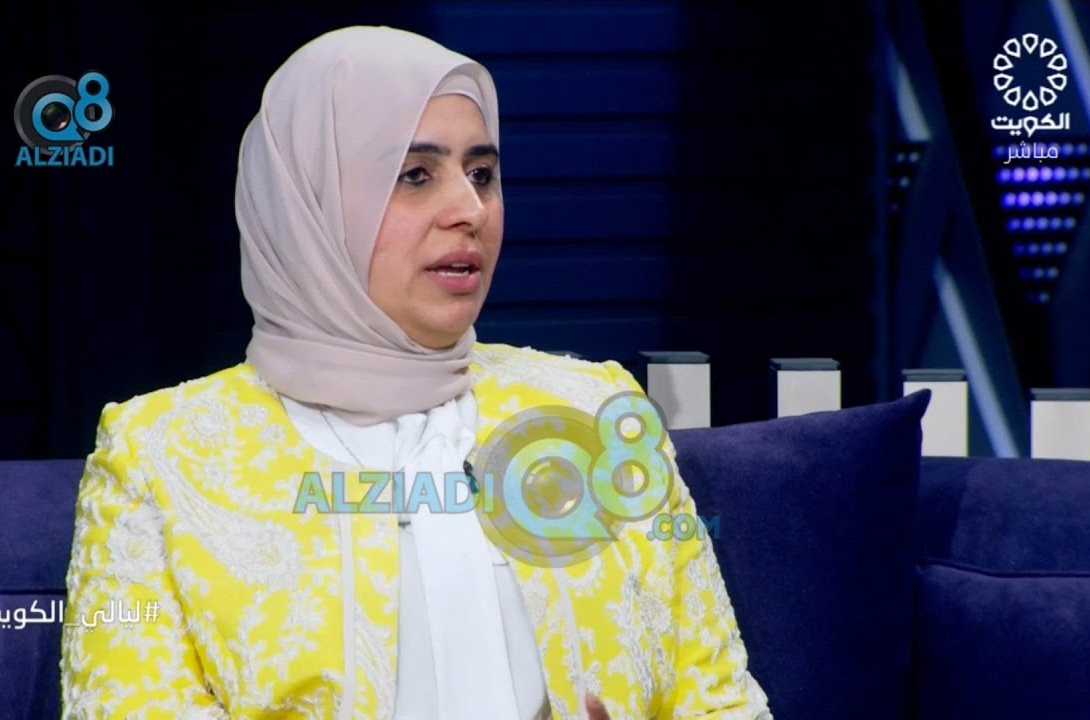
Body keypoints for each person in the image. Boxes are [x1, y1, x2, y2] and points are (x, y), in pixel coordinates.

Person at [60, 25, 772, 720]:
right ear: (308, 204)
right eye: (415, 175)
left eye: (482, 174)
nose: (469, 209)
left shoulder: (595, 412)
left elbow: (719, 701)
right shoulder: (160, 455)